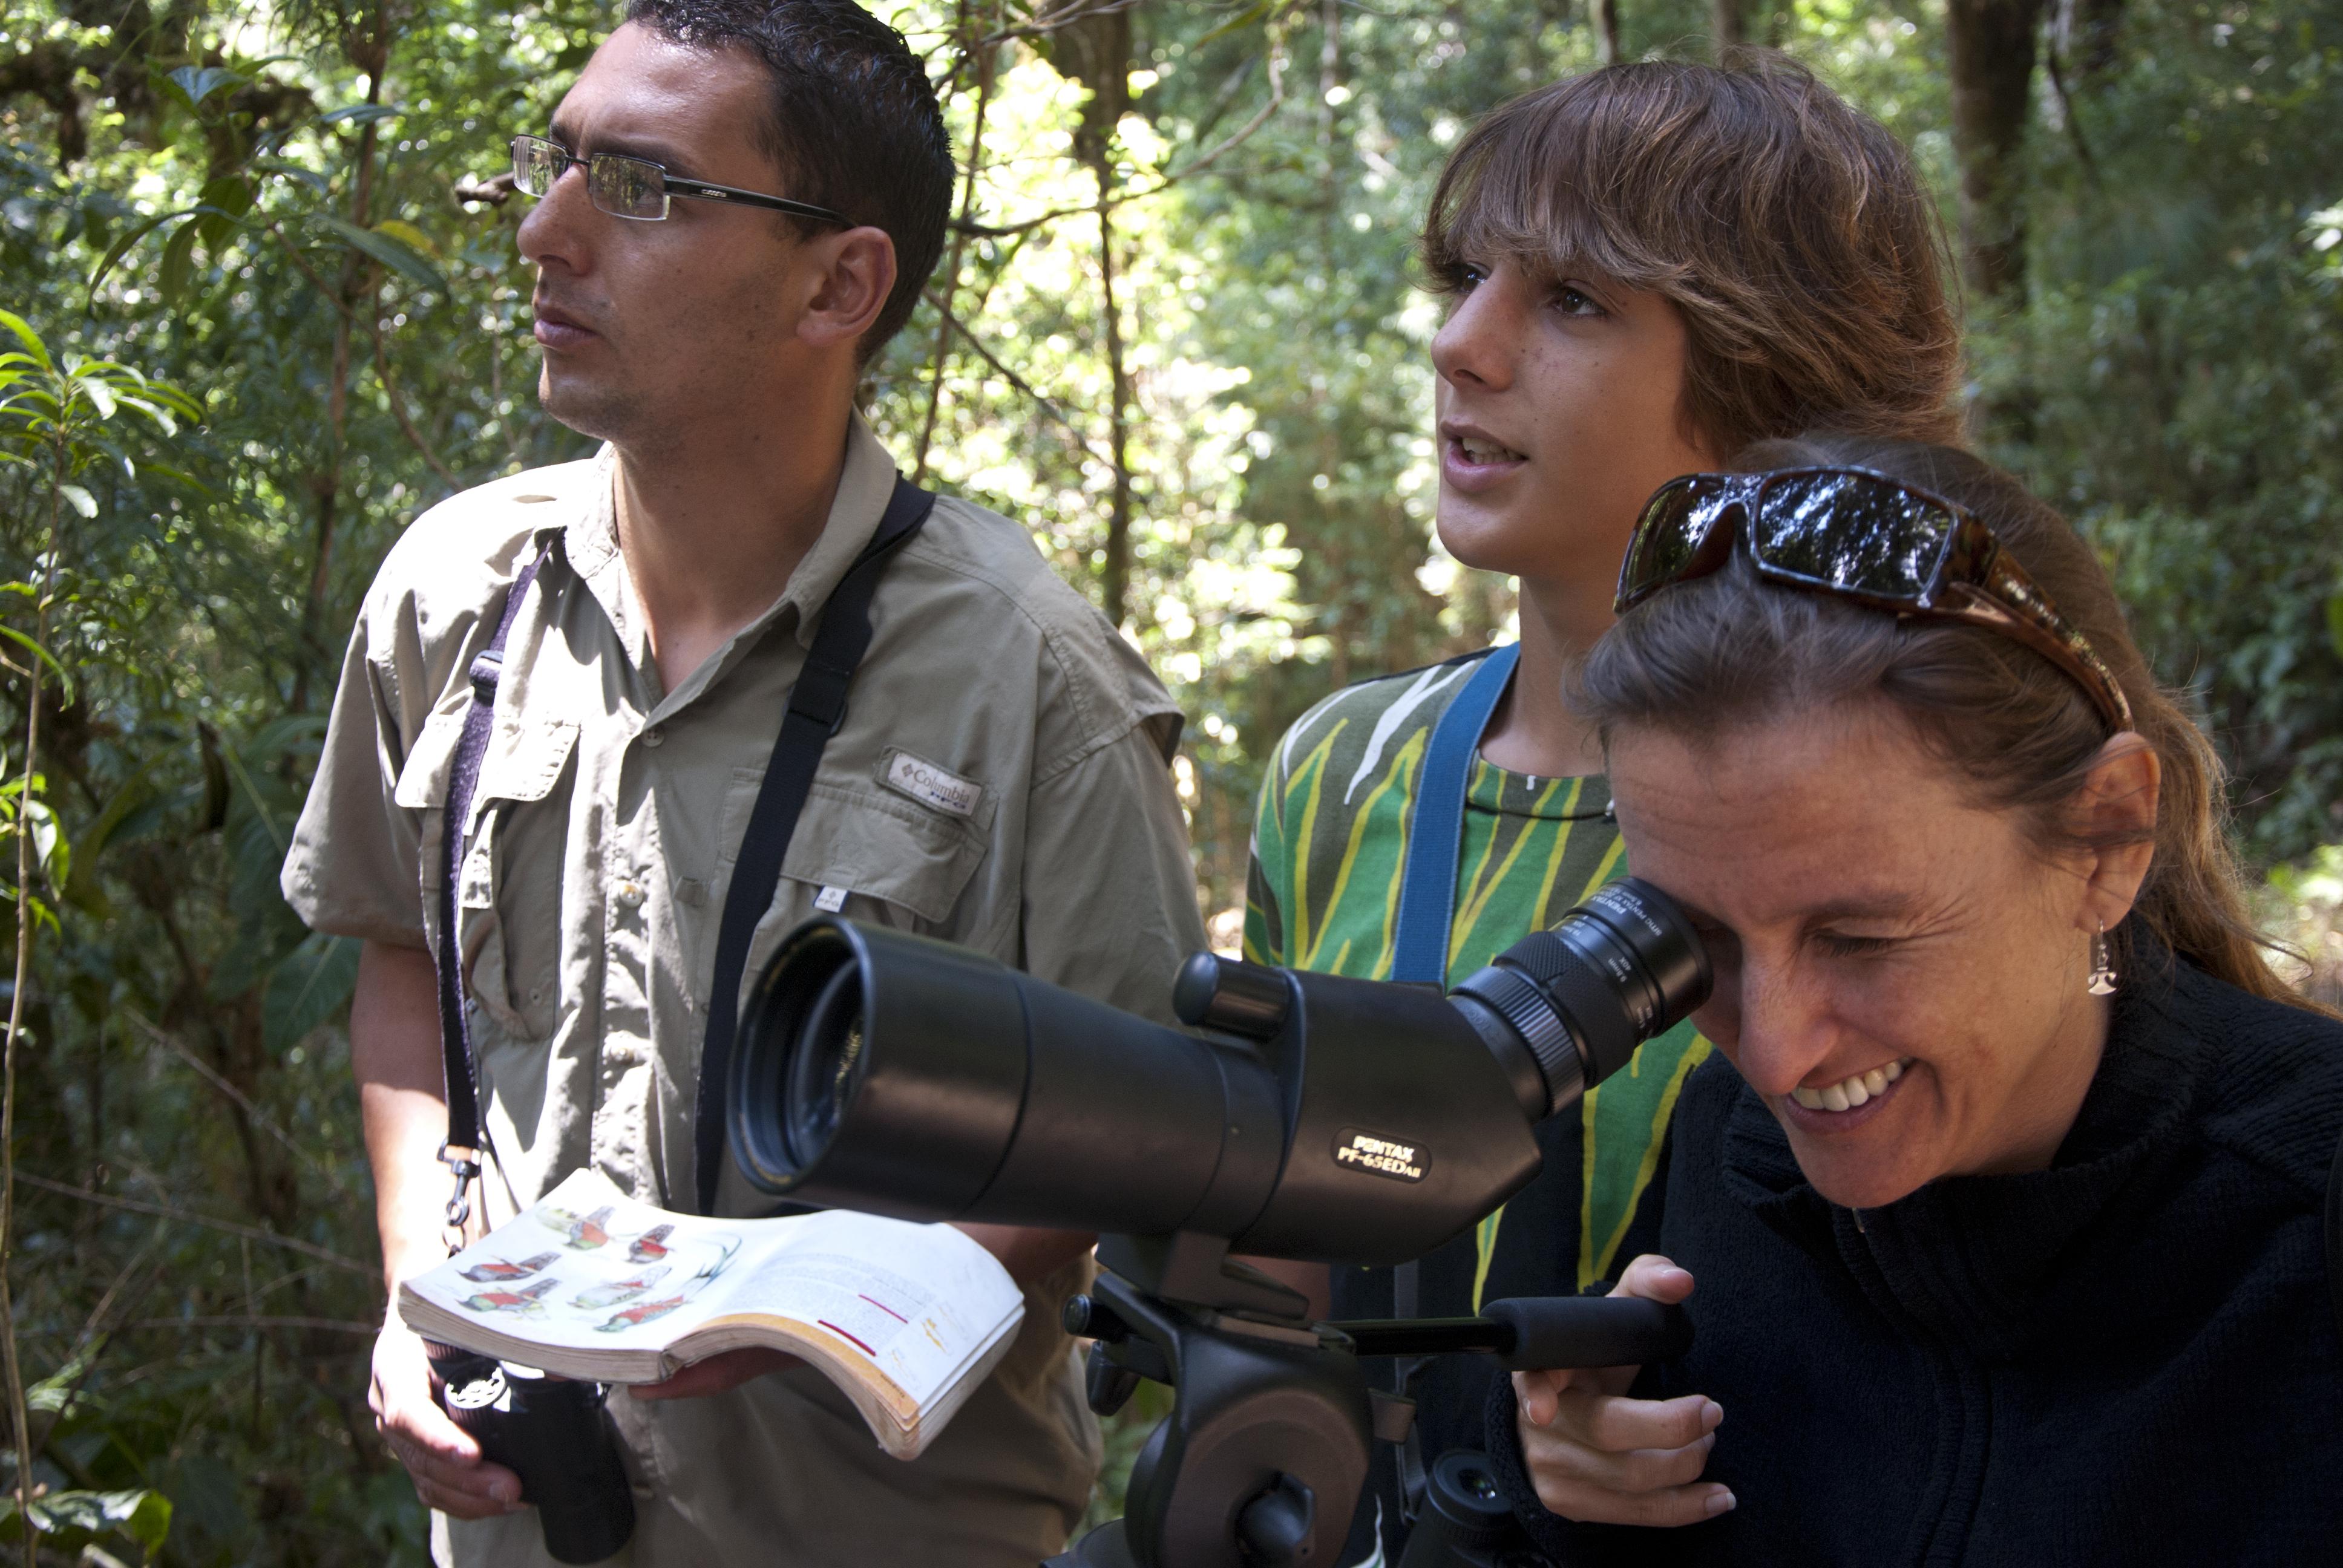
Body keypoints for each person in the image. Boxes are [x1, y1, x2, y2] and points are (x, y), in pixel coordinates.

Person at [280, 2, 1207, 1563]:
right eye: (557, 164)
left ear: (839, 283)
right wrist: (419, 1291)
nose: (543, 231)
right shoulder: (459, 597)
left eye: (640, 188)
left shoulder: (1029, 681)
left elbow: (1149, 1132)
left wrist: (805, 1323)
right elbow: (401, 962)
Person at [1240, 53, 1963, 1559]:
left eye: (1571, 302)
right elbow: (1277, 1285)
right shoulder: (1343, 773)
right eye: (1464, 276)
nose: (1459, 344)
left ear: (1778, 374)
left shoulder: (1918, 812)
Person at [1484, 437, 2343, 1564]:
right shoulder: (1730, 1154)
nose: (1778, 1055)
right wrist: (1576, 1475)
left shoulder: (2302, 1213)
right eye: (1696, 942)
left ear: (2104, 841)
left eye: (1861, 937)